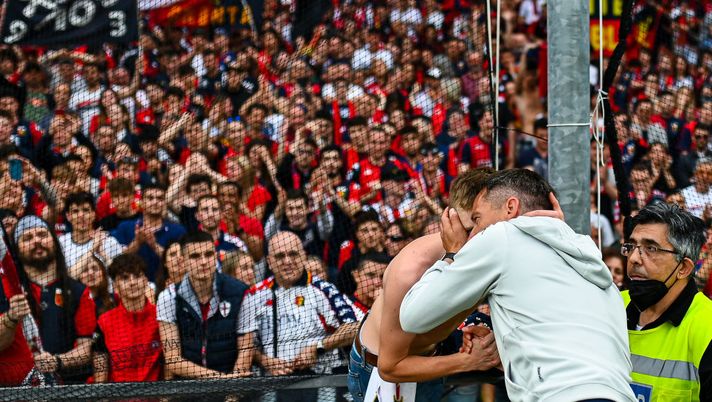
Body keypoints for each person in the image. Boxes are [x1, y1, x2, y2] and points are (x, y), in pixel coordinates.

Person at [399, 169, 636, 402]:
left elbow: (413, 317)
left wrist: (451, 255)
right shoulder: (588, 255)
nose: (473, 234)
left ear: (510, 208)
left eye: (478, 219)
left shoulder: (502, 236)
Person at [347, 169, 500, 402]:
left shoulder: (491, 252)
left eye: (489, 229)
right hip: (382, 372)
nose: (479, 238)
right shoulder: (411, 271)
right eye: (471, 228)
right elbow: (390, 367)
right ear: (450, 220)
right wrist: (468, 360)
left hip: (429, 358)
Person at [237, 231, 358, 402]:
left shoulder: (323, 289)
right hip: (273, 383)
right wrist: (264, 360)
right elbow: (246, 346)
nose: (288, 261)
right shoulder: (254, 295)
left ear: (303, 256)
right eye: (280, 256)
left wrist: (318, 347)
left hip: (320, 381)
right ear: (269, 262)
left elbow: (354, 328)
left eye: (293, 254)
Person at [620, 202, 712, 400]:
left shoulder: (706, 325)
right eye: (631, 246)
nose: (634, 258)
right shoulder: (610, 305)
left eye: (651, 248)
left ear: (684, 268)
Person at [8, 216, 96, 383]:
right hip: (18, 388)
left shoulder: (78, 291)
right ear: (17, 249)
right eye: (27, 238)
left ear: (54, 241)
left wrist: (57, 361)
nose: (36, 241)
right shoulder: (10, 292)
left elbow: (87, 347)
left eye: (42, 235)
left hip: (67, 389)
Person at [156, 231, 250, 379]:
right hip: (190, 389)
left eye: (208, 254)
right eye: (195, 257)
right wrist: (218, 379)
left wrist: (231, 394)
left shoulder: (241, 292)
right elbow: (172, 359)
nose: (204, 262)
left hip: (234, 389)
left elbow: (246, 349)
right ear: (183, 261)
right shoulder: (167, 297)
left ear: (215, 257)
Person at [93, 253, 162, 382]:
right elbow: (100, 373)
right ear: (115, 287)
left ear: (146, 281)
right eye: (125, 278)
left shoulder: (161, 316)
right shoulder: (104, 322)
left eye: (137, 276)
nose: (132, 282)